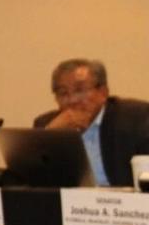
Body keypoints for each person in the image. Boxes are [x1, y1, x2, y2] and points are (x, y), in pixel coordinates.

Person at [33, 58, 149, 187]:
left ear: (103, 92)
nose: (72, 100)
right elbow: (28, 179)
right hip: (70, 204)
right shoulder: (47, 124)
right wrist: (51, 135)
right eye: (63, 93)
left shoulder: (136, 118)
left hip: (124, 204)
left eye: (79, 90)